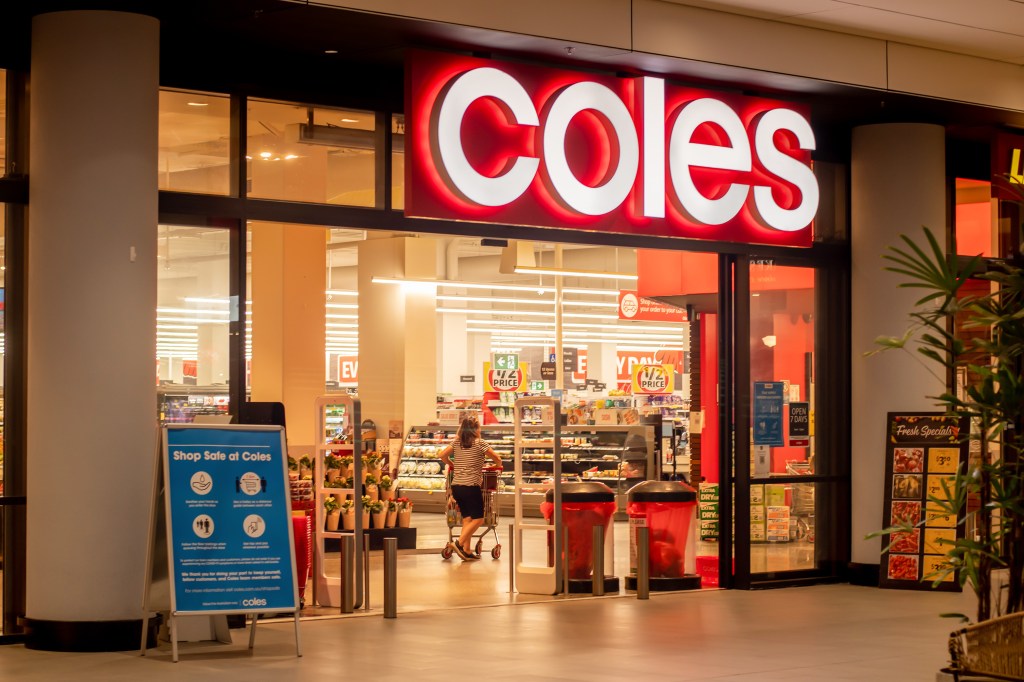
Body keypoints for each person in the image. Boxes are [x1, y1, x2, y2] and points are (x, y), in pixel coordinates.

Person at [439, 415, 502, 560]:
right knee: (478, 519)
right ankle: (459, 544)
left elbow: (442, 455)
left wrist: (452, 464)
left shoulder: (457, 442)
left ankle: (466, 550)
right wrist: (495, 466)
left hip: (457, 487)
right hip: (471, 486)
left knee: (468, 518)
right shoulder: (480, 443)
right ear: (475, 429)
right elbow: (498, 459)